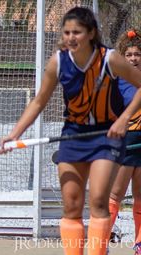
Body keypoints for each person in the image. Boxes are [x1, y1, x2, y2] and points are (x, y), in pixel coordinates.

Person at [0, 7, 141, 255]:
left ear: (91, 33)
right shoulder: (58, 61)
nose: (71, 37)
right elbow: (39, 101)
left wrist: (124, 119)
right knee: (72, 206)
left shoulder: (110, 59)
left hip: (105, 137)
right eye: (66, 32)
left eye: (77, 32)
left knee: (98, 201)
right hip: (73, 136)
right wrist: (16, 133)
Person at [108, 29, 141, 253]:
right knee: (115, 194)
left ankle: (140, 244)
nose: (133, 58)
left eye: (137, 54)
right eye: (128, 54)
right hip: (126, 142)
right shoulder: (118, 81)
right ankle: (101, 243)